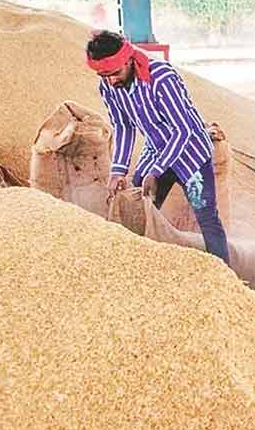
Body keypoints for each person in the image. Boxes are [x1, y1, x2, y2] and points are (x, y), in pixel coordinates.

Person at [87, 30, 230, 265]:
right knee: (137, 210)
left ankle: (226, 275)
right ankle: (142, 269)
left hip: (191, 152)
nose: (111, 80)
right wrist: (118, 171)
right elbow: (123, 126)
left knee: (206, 215)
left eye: (115, 73)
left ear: (129, 59)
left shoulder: (162, 78)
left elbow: (182, 130)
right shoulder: (108, 87)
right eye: (104, 75)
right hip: (156, 151)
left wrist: (157, 171)